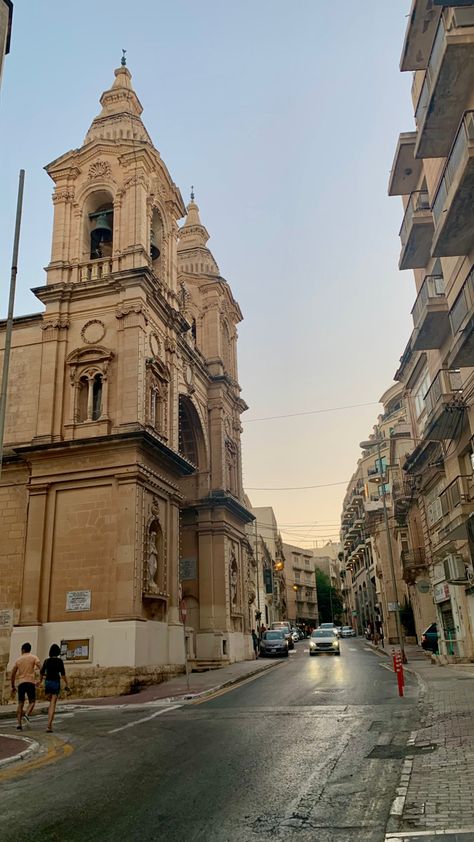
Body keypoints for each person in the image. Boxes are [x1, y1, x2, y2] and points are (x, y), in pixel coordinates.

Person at [11, 642, 41, 730]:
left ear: (23, 650)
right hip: (30, 682)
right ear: (29, 649)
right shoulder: (34, 657)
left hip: (21, 683)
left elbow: (13, 673)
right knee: (32, 701)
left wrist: (13, 685)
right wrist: (40, 679)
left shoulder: (18, 660)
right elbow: (40, 667)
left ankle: (19, 725)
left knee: (20, 703)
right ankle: (27, 714)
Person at [40, 644, 70, 733]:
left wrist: (40, 681)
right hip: (55, 682)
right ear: (58, 652)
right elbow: (63, 674)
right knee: (53, 704)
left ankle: (49, 720)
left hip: (48, 682)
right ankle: (49, 726)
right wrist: (66, 683)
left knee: (50, 701)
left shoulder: (46, 661)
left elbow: (41, 672)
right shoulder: (59, 661)